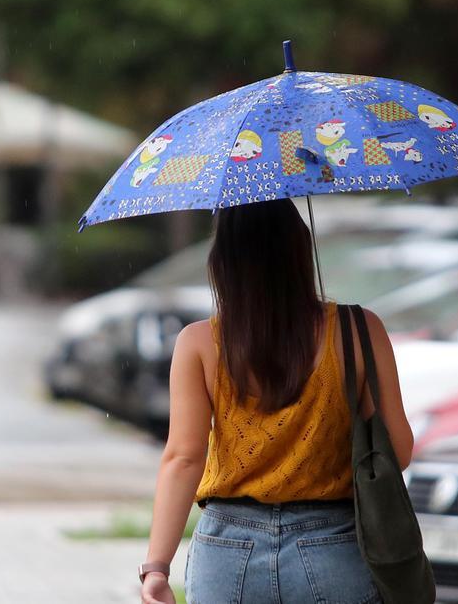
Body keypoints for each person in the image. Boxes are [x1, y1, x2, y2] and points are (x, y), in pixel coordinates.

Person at [139, 198, 414, 604]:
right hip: (334, 548)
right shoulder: (360, 330)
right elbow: (398, 452)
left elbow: (183, 458)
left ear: (222, 262)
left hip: (227, 554)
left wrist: (157, 567)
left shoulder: (198, 343)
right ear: (300, 251)